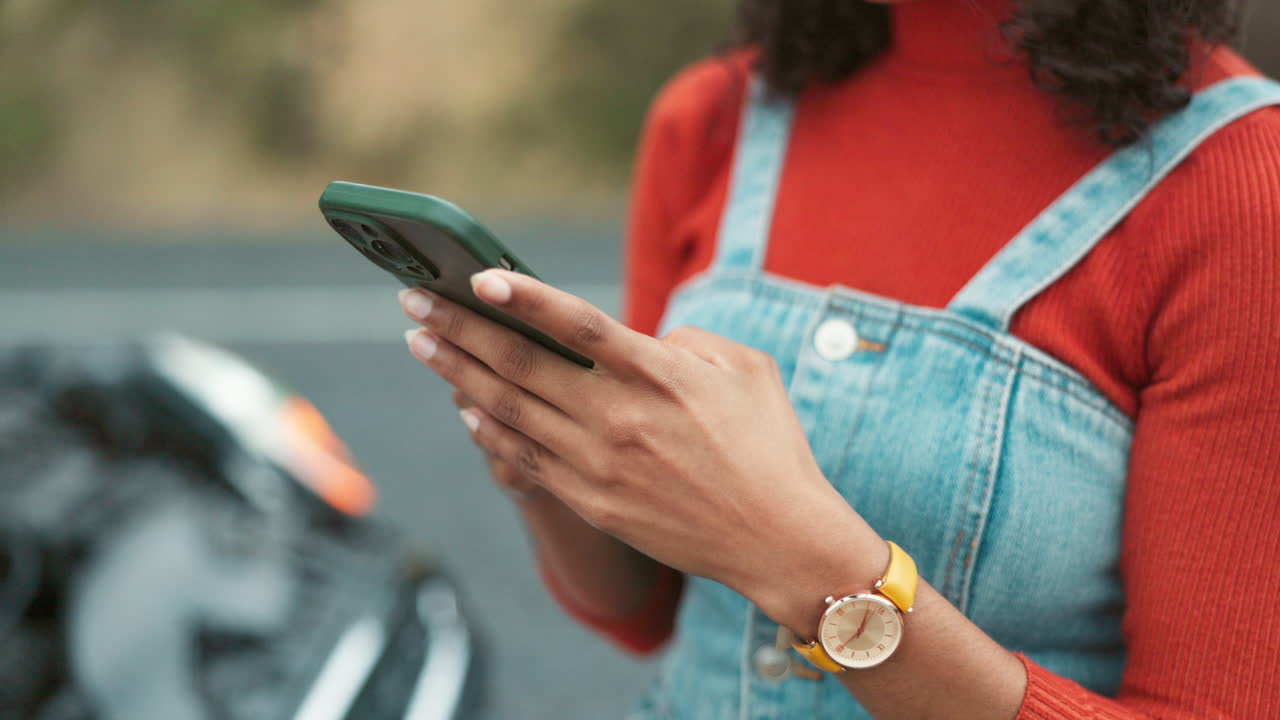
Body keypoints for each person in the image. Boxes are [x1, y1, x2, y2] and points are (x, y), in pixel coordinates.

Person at [398, 0, 1280, 716]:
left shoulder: (1240, 183)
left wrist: (808, 567)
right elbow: (646, 613)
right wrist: (540, 453)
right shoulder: (715, 117)